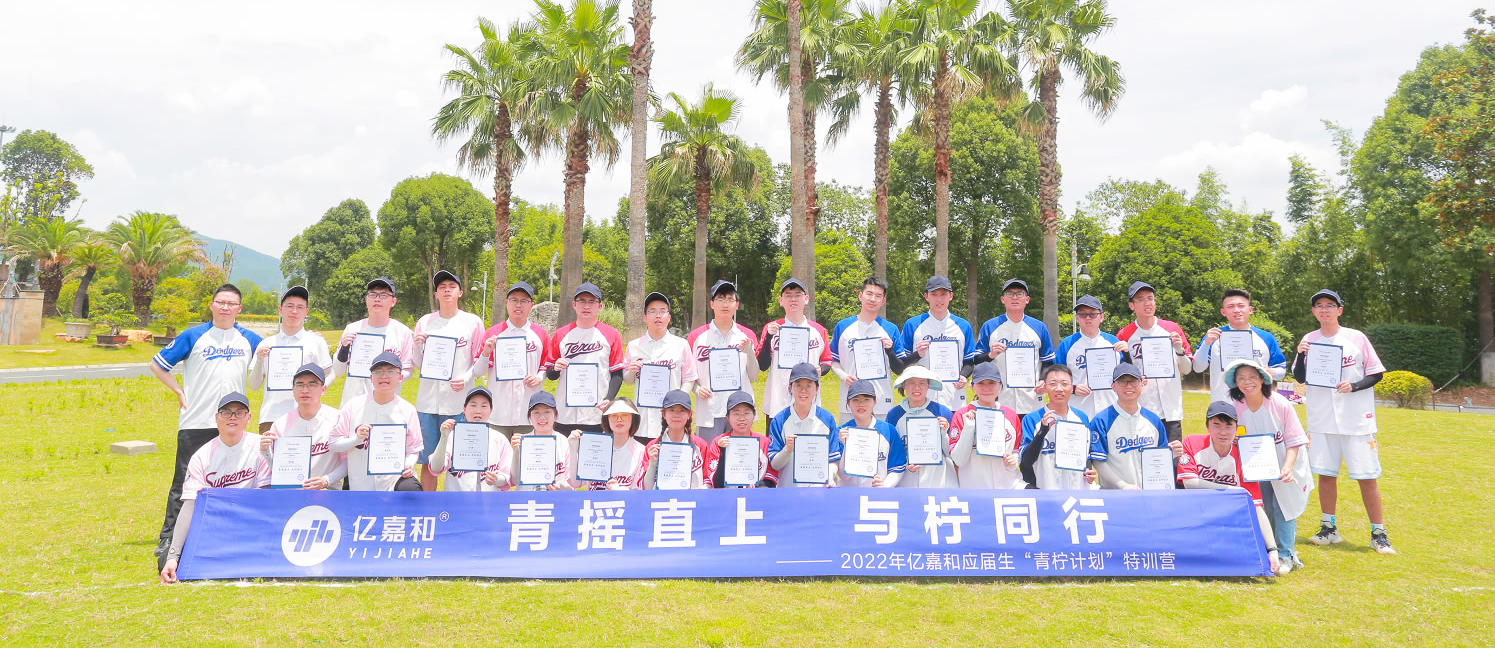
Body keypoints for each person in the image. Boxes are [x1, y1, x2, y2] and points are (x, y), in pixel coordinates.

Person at [149, 283, 262, 565]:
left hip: (233, 421)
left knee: (231, 478)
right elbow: (157, 364)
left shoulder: (249, 339)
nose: (225, 307)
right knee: (185, 481)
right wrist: (178, 390)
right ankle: (169, 538)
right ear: (211, 305)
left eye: (231, 303)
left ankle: (222, 532)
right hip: (197, 419)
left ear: (239, 309)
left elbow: (278, 351)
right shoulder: (194, 335)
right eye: (220, 302)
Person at [1292, 289, 1395, 554]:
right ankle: (1329, 528)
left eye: (1330, 304)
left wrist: (1355, 385)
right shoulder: (1309, 339)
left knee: (1367, 477)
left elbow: (1376, 374)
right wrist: (1301, 354)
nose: (1324, 309)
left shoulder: (1356, 337)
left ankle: (1378, 533)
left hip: (1356, 419)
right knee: (1326, 475)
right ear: (1313, 311)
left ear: (1340, 310)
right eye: (1319, 305)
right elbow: (1300, 377)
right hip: (1322, 419)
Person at [159, 392, 269, 583]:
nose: (232, 417)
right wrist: (172, 556)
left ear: (249, 418)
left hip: (249, 525)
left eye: (239, 412)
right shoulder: (201, 456)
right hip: (214, 528)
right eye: (226, 412)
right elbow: (190, 505)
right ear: (217, 417)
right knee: (165, 560)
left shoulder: (261, 447)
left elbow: (265, 497)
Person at [1177, 401, 1285, 575]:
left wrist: (1272, 550)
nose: (1223, 432)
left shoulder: (1244, 455)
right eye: (1216, 425)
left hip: (1226, 520)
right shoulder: (1192, 442)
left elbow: (1256, 505)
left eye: (1229, 426)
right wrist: (1232, 489)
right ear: (1207, 427)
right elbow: (1190, 483)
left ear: (1236, 428)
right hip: (1194, 515)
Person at [1226, 358, 1312, 575]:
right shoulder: (1236, 407)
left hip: (1286, 464)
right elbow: (1234, 439)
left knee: (1284, 508)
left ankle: (1286, 555)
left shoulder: (1280, 403)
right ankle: (1270, 552)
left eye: (1252, 377)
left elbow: (1294, 440)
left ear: (1263, 379)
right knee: (1264, 508)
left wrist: (1288, 467)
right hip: (1256, 468)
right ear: (1235, 383)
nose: (1247, 382)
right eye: (1241, 378)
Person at [411, 270, 487, 491]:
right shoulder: (425, 322)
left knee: (462, 459)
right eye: (442, 287)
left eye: (452, 287)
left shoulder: (472, 322)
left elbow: (479, 361)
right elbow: (419, 363)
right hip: (428, 403)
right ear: (436, 294)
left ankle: (461, 504)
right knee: (428, 461)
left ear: (460, 292)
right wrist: (417, 345)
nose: (446, 290)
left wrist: (466, 378)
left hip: (459, 402)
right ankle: (429, 506)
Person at [328, 352, 424, 491]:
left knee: (411, 490)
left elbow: (413, 448)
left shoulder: (407, 410)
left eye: (390, 371)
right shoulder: (353, 406)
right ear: (371, 378)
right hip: (360, 478)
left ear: (400, 377)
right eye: (378, 371)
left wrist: (408, 464)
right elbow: (333, 444)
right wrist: (356, 439)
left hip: (394, 477)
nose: (384, 376)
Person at [1114, 281, 1194, 444]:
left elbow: (1187, 369)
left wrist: (1178, 348)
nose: (1147, 303)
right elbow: (1120, 376)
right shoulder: (1124, 334)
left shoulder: (1172, 328)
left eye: (1150, 298)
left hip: (1171, 409)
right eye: (1140, 299)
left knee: (1172, 456)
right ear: (1131, 305)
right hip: (1141, 408)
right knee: (1144, 456)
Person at [246, 285, 334, 432]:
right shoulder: (266, 344)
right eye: (289, 306)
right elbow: (254, 385)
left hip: (307, 415)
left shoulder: (316, 342)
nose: (294, 311)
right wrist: (260, 360)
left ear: (306, 311)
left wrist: (316, 393)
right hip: (271, 416)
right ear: (280, 309)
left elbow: (330, 373)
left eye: (300, 307)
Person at [472, 281, 550, 439]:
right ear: (507, 303)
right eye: (514, 300)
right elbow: (478, 371)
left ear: (531, 305)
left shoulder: (540, 334)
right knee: (498, 454)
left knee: (526, 454)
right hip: (499, 412)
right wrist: (486, 353)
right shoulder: (493, 333)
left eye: (524, 301)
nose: (518, 305)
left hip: (529, 411)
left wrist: (539, 377)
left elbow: (547, 365)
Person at [546, 282, 626, 434]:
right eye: (582, 301)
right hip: (566, 412)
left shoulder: (611, 334)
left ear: (600, 306)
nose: (586, 306)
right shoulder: (561, 334)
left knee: (594, 449)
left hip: (596, 412)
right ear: (574, 305)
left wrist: (609, 399)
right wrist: (555, 368)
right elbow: (551, 375)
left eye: (592, 301)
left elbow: (616, 373)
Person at [687, 280, 760, 441]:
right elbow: (688, 375)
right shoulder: (696, 337)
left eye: (730, 299)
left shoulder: (747, 335)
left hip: (740, 410)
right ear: (712, 304)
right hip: (709, 409)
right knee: (709, 455)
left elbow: (754, 376)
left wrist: (749, 351)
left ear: (737, 304)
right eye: (720, 299)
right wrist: (697, 389)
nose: (725, 304)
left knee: (739, 455)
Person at [1088, 363, 1180, 490]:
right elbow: (1098, 461)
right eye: (1122, 381)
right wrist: (1123, 485)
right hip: (1115, 493)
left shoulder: (1154, 420)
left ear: (1142, 384)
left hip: (1150, 492)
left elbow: (1159, 459)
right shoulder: (1101, 421)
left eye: (1133, 381)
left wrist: (1171, 453)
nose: (1129, 386)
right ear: (1113, 386)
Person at [829, 276, 910, 418]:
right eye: (869, 294)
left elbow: (899, 369)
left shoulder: (890, 329)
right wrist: (844, 377)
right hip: (850, 401)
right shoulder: (843, 326)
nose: (873, 299)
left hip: (881, 402)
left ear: (883, 301)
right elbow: (833, 361)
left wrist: (890, 351)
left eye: (878, 296)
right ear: (860, 296)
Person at [624, 292, 697, 444]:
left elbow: (689, 378)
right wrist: (631, 371)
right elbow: (628, 381)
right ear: (645, 317)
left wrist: (678, 403)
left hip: (671, 421)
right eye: (652, 311)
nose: (658, 315)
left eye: (662, 311)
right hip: (643, 420)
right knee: (644, 457)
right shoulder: (634, 346)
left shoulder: (681, 345)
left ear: (669, 317)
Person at [976, 278, 1056, 415]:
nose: (1014, 297)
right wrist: (991, 355)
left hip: (1031, 399)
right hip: (1000, 399)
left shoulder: (1039, 327)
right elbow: (977, 360)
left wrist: (1043, 380)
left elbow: (1048, 362)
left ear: (1027, 299)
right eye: (1009, 293)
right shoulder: (990, 326)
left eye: (1019, 293)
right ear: (1003, 299)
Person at [1192, 289, 1287, 403]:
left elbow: (1281, 371)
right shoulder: (1213, 336)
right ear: (1223, 312)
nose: (1236, 310)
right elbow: (1197, 368)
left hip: (1258, 405)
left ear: (1250, 310)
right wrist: (1206, 343)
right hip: (1223, 404)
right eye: (1230, 306)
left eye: (1241, 306)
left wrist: (1271, 372)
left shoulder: (1267, 338)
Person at [259, 364, 345, 490]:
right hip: (293, 493)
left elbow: (348, 461)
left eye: (312, 384)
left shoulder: (338, 419)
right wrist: (265, 452)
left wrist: (326, 480)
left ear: (323, 389)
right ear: (293, 390)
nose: (305, 390)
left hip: (329, 491)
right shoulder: (280, 424)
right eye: (299, 384)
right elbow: (279, 471)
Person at [332, 277, 415, 408]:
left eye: (383, 295)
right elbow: (338, 371)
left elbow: (407, 370)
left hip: (387, 403)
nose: (377, 299)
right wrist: (344, 348)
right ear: (366, 300)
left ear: (393, 301)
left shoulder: (403, 333)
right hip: (353, 402)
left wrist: (389, 377)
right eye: (372, 294)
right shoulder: (352, 329)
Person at [758, 278, 832, 417]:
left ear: (806, 299)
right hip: (778, 402)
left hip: (809, 403)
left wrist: (820, 369)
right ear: (780, 300)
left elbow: (827, 361)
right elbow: (762, 365)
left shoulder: (818, 330)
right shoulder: (772, 328)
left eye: (798, 295)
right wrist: (768, 337)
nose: (793, 299)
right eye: (788, 295)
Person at [901, 275, 977, 411]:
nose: (939, 299)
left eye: (943, 294)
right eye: (934, 294)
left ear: (951, 296)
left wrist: (963, 376)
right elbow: (902, 363)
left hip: (953, 396)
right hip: (922, 397)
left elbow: (969, 361)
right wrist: (917, 354)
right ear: (926, 296)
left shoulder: (963, 326)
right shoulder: (912, 325)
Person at [1018, 365, 1100, 490]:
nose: (1059, 389)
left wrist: (1088, 471)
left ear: (1071, 388)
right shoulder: (1032, 419)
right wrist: (1042, 431)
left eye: (1064, 384)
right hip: (1046, 491)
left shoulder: (1081, 417)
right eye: (1053, 384)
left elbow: (1085, 453)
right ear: (1045, 388)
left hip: (1077, 491)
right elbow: (1026, 462)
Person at [948, 363, 1025, 489]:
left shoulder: (1011, 415)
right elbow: (959, 460)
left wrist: (1014, 461)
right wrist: (968, 428)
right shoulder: (962, 414)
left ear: (1000, 385)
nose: (986, 388)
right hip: (975, 489)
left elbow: (1016, 451)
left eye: (992, 383)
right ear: (972, 386)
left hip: (1009, 486)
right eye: (981, 383)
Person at [766, 363, 843, 487]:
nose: (803, 390)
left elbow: (833, 459)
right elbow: (775, 464)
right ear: (790, 388)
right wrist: (787, 449)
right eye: (798, 385)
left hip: (819, 490)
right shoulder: (779, 420)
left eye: (809, 385)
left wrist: (829, 477)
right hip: (788, 491)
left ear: (816, 389)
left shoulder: (827, 419)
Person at [428, 386, 513, 492]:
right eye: (473, 405)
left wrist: (497, 479)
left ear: (491, 410)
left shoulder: (499, 439)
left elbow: (507, 475)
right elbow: (436, 467)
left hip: (489, 500)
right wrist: (444, 437)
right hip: (458, 499)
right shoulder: (453, 436)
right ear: (464, 409)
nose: (478, 411)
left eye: (484, 406)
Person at [886, 365, 957, 488]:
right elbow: (891, 451)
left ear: (928, 385)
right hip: (906, 480)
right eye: (911, 383)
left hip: (938, 480)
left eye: (922, 383)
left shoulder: (942, 412)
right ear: (904, 385)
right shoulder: (894, 415)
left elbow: (952, 454)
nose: (916, 387)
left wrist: (944, 433)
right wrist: (906, 463)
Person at [1055, 295, 1122, 416]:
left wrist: (1126, 353)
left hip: (1110, 406)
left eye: (1092, 314)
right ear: (1077, 318)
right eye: (1082, 314)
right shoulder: (1067, 344)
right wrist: (1073, 388)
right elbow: (1056, 378)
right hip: (1078, 408)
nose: (1088, 318)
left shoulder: (1113, 342)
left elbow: (1125, 375)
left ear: (1101, 317)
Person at [835, 379, 906, 488]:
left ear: (874, 402)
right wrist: (846, 446)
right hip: (849, 493)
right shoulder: (841, 433)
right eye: (855, 400)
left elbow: (897, 467)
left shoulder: (888, 430)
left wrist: (885, 485)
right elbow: (844, 476)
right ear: (848, 403)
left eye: (866, 399)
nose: (861, 404)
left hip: (878, 494)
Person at [569, 398, 649, 490]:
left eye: (625, 415)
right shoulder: (594, 445)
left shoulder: (641, 451)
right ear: (607, 419)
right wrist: (573, 448)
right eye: (614, 415)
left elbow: (638, 491)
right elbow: (576, 483)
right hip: (594, 499)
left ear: (633, 419)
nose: (619, 419)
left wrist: (618, 490)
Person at [642, 390, 711, 489]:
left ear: (689, 414)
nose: (676, 415)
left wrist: (702, 489)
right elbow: (646, 488)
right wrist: (652, 463)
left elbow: (708, 479)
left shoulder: (700, 445)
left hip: (693, 498)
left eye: (682, 410)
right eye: (671, 410)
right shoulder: (653, 447)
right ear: (664, 414)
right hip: (661, 498)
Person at [706, 391, 774, 488]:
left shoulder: (764, 442)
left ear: (754, 415)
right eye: (736, 414)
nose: (742, 418)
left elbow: (771, 481)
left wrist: (757, 486)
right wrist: (723, 453)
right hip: (727, 495)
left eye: (746, 413)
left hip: (757, 495)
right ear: (728, 417)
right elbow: (717, 484)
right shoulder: (719, 442)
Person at [507, 392, 572, 491]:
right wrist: (516, 452)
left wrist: (561, 486)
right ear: (530, 417)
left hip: (556, 498)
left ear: (555, 415)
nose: (542, 417)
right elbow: (515, 480)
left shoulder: (564, 442)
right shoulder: (521, 442)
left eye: (547, 412)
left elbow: (571, 484)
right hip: (527, 497)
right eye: (536, 413)